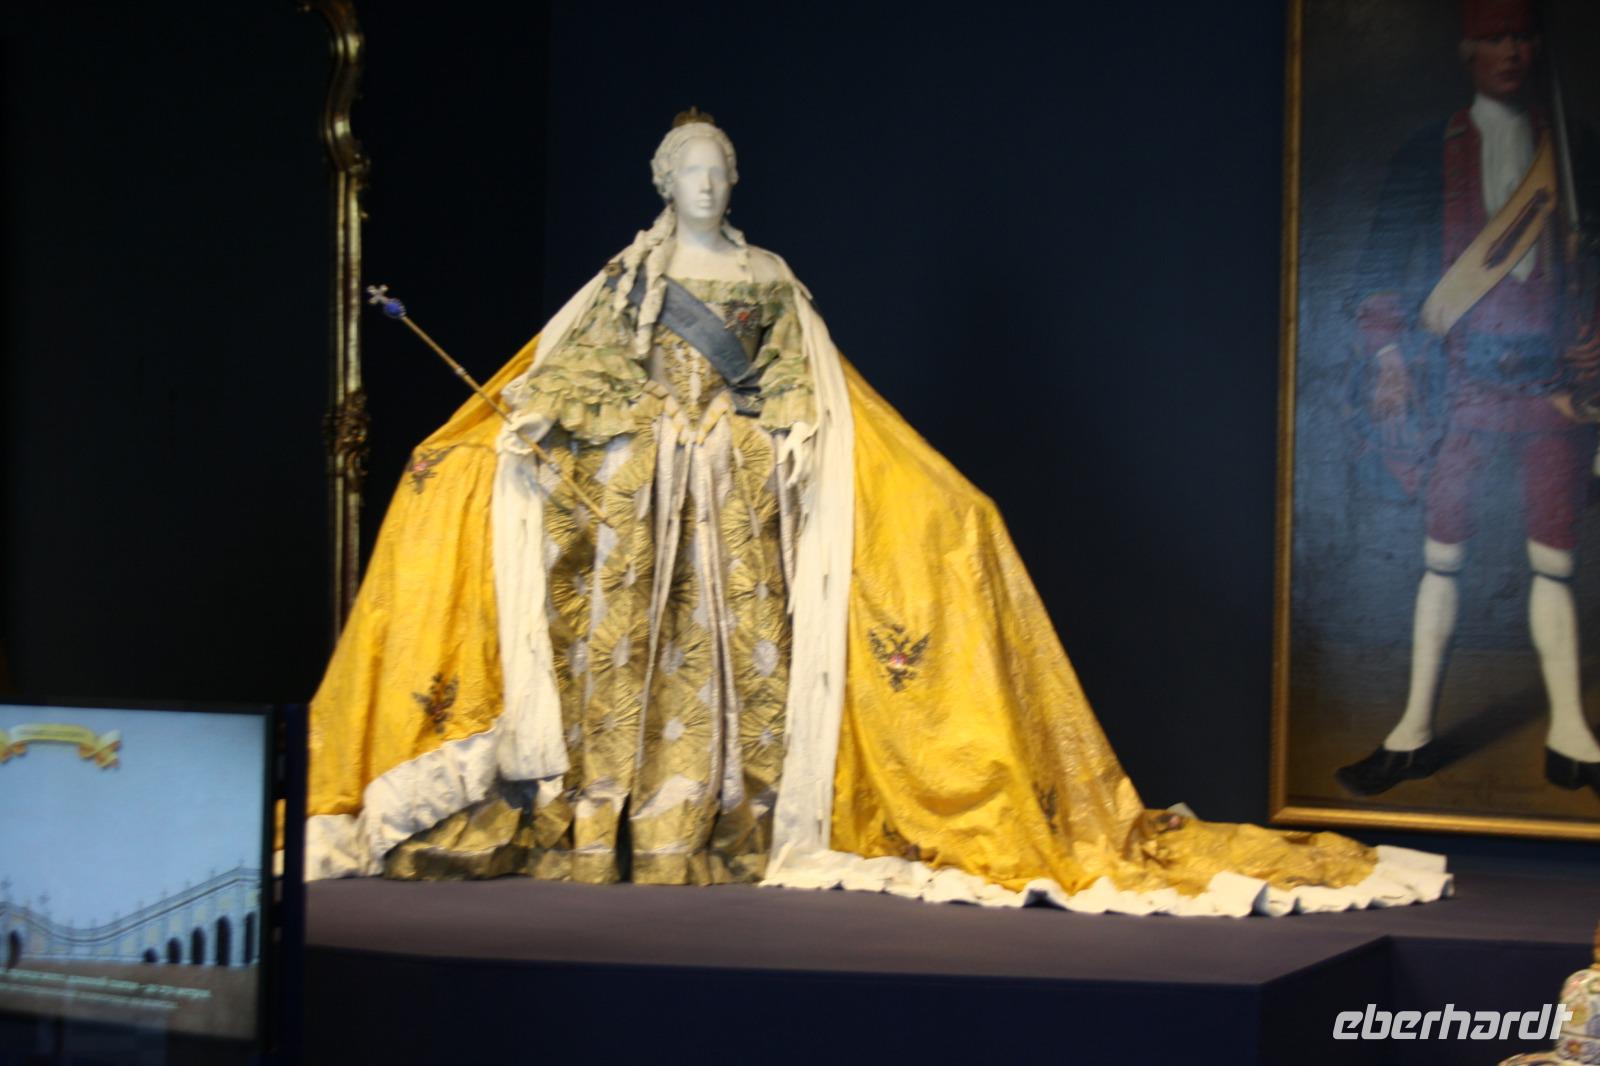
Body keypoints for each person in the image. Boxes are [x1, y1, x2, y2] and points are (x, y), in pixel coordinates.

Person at [306, 110, 1448, 915]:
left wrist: (740, 436)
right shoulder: (629, 281)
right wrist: (607, 428)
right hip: (645, 507)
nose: (707, 187)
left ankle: (728, 815)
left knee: (879, 567)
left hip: (738, 498)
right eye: (690, 172)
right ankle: (624, 818)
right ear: (662, 181)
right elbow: (582, 379)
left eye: (719, 172)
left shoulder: (766, 279)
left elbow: (806, 398)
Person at [1337, 0, 1600, 799]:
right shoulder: (1430, 150)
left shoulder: (1576, 147)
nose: (1511, 51)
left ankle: (1572, 735)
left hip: (1552, 391)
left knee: (1553, 563)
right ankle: (1412, 733)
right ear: (1466, 50)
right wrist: (1388, 354)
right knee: (1441, 561)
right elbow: (1381, 262)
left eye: (1522, 37)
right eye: (1494, 38)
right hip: (1461, 384)